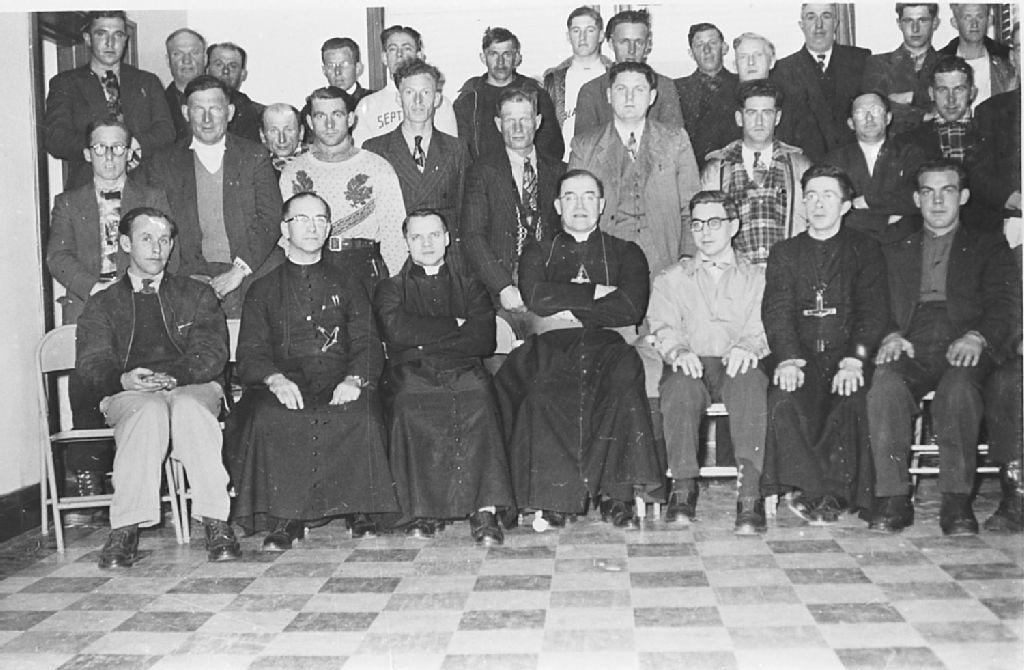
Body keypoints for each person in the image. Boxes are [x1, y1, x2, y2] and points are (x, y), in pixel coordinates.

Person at [494, 169, 664, 530]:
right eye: (570, 197)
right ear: (558, 206)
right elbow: (536, 298)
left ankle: (617, 495)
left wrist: (567, 303)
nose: (580, 205)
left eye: (589, 196)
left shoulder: (627, 252)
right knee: (541, 388)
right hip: (551, 343)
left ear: (601, 205)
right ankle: (553, 498)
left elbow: (630, 307)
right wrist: (597, 293)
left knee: (623, 379)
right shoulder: (538, 252)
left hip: (607, 341)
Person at [231, 192, 399, 548]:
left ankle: (360, 508)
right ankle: (285, 515)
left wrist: (355, 379)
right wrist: (274, 379)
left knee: (363, 414)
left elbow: (368, 342)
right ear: (284, 229)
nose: (312, 227)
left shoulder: (349, 283)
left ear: (329, 228)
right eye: (302, 219)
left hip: (340, 379)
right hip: (284, 382)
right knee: (271, 416)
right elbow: (250, 352)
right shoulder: (262, 289)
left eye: (320, 220)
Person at [74, 206, 239, 568]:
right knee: (147, 411)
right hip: (129, 391)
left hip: (191, 384)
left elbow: (212, 351)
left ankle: (216, 520)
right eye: (146, 238)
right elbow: (90, 361)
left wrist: (177, 376)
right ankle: (125, 527)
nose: (156, 247)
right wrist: (122, 379)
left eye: (164, 240)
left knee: (189, 408)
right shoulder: (103, 303)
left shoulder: (196, 294)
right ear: (125, 243)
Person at [866, 160, 1020, 535]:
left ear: (963, 197)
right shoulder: (893, 248)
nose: (937, 201)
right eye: (928, 192)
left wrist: (978, 337)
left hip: (965, 339)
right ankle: (893, 498)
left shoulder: (989, 246)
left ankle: (956, 502)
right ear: (916, 199)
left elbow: (1005, 304)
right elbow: (873, 304)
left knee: (958, 391)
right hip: (910, 339)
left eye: (947, 191)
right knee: (885, 386)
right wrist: (888, 334)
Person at [374, 209, 513, 543]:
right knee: (409, 402)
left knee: (479, 397)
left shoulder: (471, 287)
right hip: (410, 372)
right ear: (406, 242)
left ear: (447, 239)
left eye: (434, 235)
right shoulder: (391, 288)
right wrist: (455, 324)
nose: (427, 244)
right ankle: (419, 510)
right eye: (417, 237)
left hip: (464, 369)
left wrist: (422, 338)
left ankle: (484, 509)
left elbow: (483, 339)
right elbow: (396, 332)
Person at [762, 164, 889, 526]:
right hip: (800, 353)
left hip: (846, 353)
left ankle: (837, 493)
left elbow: (873, 311)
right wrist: (788, 358)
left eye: (828, 196)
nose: (818, 204)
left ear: (845, 205)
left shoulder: (865, 249)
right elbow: (776, 310)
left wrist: (855, 359)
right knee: (784, 396)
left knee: (851, 396)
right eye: (811, 196)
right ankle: (808, 489)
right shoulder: (785, 252)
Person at [646, 191, 769, 534]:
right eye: (698, 224)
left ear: (734, 226)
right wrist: (678, 351)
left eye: (714, 222)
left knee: (750, 382)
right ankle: (683, 487)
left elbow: (764, 324)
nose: (705, 232)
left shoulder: (757, 277)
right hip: (691, 363)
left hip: (737, 362)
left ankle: (750, 493)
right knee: (679, 388)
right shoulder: (671, 278)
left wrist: (748, 346)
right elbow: (662, 325)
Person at [143, 75, 282, 318]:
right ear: (186, 113)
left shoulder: (254, 156)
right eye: (199, 109)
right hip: (189, 272)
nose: (207, 119)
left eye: (215, 109)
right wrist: (187, 277)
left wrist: (239, 271)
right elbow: (157, 226)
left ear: (229, 112)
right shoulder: (164, 162)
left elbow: (270, 218)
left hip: (249, 268)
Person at [569, 61, 701, 276]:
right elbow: (573, 214)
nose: (629, 98)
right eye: (621, 89)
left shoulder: (675, 141)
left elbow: (692, 207)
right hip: (606, 264)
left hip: (665, 265)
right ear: (609, 95)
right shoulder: (584, 147)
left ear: (652, 97)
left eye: (639, 89)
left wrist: (687, 256)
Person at [280, 86, 407, 296]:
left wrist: (394, 291)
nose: (329, 124)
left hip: (363, 268)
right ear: (310, 122)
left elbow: (394, 236)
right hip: (311, 267)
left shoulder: (377, 166)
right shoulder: (293, 171)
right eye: (321, 116)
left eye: (337, 115)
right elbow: (285, 236)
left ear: (350, 119)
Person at [461, 88, 566, 342]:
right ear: (499, 124)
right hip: (498, 293)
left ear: (537, 122)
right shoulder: (481, 172)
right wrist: (503, 286)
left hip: (546, 293)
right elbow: (472, 236)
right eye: (510, 120)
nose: (518, 128)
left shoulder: (560, 171)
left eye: (525, 119)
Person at [48, 119, 171, 325]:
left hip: (143, 304)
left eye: (118, 147)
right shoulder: (67, 203)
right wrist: (95, 289)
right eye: (99, 147)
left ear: (129, 153)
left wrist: (138, 289)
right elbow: (58, 257)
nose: (109, 155)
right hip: (86, 305)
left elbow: (167, 254)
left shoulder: (152, 198)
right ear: (88, 154)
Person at [44, 10, 175, 190]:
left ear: (125, 40)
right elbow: (55, 138)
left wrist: (134, 145)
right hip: (88, 189)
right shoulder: (66, 83)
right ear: (88, 39)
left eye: (118, 35)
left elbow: (167, 131)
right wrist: (103, 147)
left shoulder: (147, 82)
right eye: (101, 34)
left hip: (143, 187)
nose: (110, 43)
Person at [363, 59, 469, 265]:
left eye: (426, 92)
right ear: (398, 98)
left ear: (437, 99)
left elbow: (465, 212)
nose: (418, 101)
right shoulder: (375, 149)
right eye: (410, 92)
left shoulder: (457, 149)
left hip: (447, 259)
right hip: (396, 257)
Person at [702, 79, 812, 265]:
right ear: (739, 118)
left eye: (767, 113)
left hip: (788, 272)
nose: (759, 121)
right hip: (736, 275)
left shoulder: (799, 166)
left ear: (777, 117)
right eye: (751, 113)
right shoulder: (717, 170)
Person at [772, 3, 870, 163]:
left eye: (826, 16)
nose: (819, 25)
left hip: (856, 163)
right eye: (811, 17)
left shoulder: (860, 59)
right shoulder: (783, 70)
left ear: (836, 23)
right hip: (808, 165)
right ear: (801, 25)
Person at [823, 92, 926, 239]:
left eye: (876, 110)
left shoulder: (910, 154)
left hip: (902, 243)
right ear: (851, 123)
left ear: (888, 118)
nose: (869, 118)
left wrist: (866, 201)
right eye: (860, 113)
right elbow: (832, 210)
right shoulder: (835, 159)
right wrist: (884, 220)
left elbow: (916, 198)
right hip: (852, 244)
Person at [455, 27, 563, 162]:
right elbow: (461, 152)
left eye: (506, 54)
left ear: (516, 58)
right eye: (493, 54)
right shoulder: (469, 100)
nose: (500, 62)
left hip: (526, 171)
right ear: (483, 58)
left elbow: (552, 147)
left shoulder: (536, 94)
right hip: (482, 173)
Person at [572, 9, 683, 139]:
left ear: (648, 45)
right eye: (624, 42)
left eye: (639, 42)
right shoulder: (591, 91)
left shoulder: (664, 87)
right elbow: (583, 146)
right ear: (611, 43)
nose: (631, 50)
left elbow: (676, 142)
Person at [352, 25, 458, 146]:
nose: (399, 54)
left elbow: (450, 150)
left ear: (419, 56)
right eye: (393, 49)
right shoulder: (368, 106)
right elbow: (363, 153)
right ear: (385, 58)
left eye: (407, 48)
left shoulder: (439, 104)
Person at [543, 6, 614, 161]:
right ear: (568, 36)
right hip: (565, 163)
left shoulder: (615, 76)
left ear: (601, 36)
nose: (582, 37)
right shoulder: (553, 79)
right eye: (576, 31)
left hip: (606, 163)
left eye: (590, 30)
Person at [862, 3, 943, 136]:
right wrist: (924, 114)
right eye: (908, 21)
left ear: (934, 23)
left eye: (922, 20)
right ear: (899, 24)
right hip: (893, 146)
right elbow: (874, 109)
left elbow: (951, 106)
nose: (915, 29)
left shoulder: (947, 63)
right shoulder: (878, 64)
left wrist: (909, 98)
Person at [971, 23, 1021, 229]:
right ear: (1013, 58)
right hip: (1011, 221)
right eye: (1021, 48)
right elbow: (979, 174)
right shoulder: (990, 112)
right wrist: (1013, 199)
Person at [674, 22, 740, 169]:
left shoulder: (742, 86)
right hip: (693, 170)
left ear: (724, 48)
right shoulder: (677, 89)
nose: (706, 50)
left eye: (712, 43)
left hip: (737, 168)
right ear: (691, 53)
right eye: (699, 45)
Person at [938, 3, 1016, 108]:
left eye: (980, 17)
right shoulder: (937, 63)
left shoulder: (1007, 64)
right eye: (967, 17)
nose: (974, 24)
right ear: (955, 22)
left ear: (989, 20)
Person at [206, 42, 263, 143]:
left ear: (243, 74)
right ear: (207, 70)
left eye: (232, 66)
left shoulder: (258, 114)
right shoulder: (190, 110)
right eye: (219, 64)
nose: (225, 71)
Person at [164, 28, 207, 141]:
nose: (187, 60)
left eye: (194, 53)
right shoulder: (156, 105)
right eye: (177, 54)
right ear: (168, 61)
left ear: (205, 59)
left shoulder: (230, 100)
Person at [320, 37, 374, 105]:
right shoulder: (317, 105)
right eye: (331, 66)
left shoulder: (374, 101)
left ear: (358, 68)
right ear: (324, 70)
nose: (337, 72)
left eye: (344, 64)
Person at [260, 103, 306, 174]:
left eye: (289, 130)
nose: (282, 140)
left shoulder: (318, 160)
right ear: (262, 135)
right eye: (273, 131)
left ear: (301, 133)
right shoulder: (256, 166)